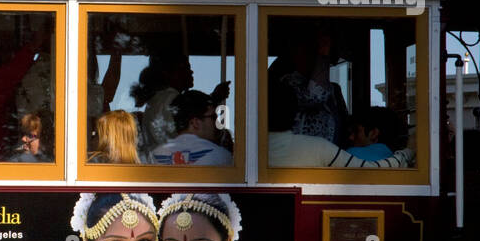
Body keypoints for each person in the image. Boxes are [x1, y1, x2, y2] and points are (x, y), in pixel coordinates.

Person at [267, 79, 412, 168]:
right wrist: (409, 151)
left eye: (356, 131)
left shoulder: (353, 153)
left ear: (374, 133)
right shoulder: (319, 148)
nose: (350, 138)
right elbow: (372, 169)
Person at [149, 90, 233, 166]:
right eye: (213, 117)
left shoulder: (154, 156)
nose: (217, 123)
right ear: (195, 122)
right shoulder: (221, 156)